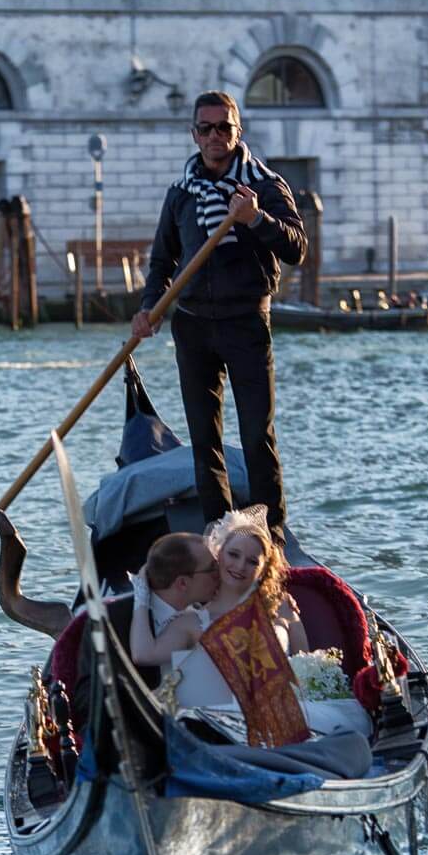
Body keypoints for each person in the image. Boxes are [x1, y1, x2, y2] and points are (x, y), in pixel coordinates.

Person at [130, 92, 305, 543]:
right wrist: (150, 307)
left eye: (222, 128)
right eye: (205, 129)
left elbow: (295, 247)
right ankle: (218, 531)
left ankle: (271, 536)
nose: (214, 137)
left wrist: (254, 219)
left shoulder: (264, 186)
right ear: (194, 135)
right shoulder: (180, 193)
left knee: (256, 435)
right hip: (192, 325)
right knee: (203, 440)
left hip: (246, 322)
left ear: (237, 132)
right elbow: (162, 261)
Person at [130, 507, 370, 745]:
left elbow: (302, 663)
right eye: (233, 555)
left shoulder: (281, 608)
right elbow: (144, 654)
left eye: (252, 561)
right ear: (219, 554)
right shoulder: (193, 621)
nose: (240, 566)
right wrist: (141, 597)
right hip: (228, 723)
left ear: (264, 568)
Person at [69, 531, 219, 727]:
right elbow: (86, 700)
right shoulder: (113, 619)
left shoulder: (200, 613)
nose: (220, 574)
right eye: (212, 568)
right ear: (182, 583)